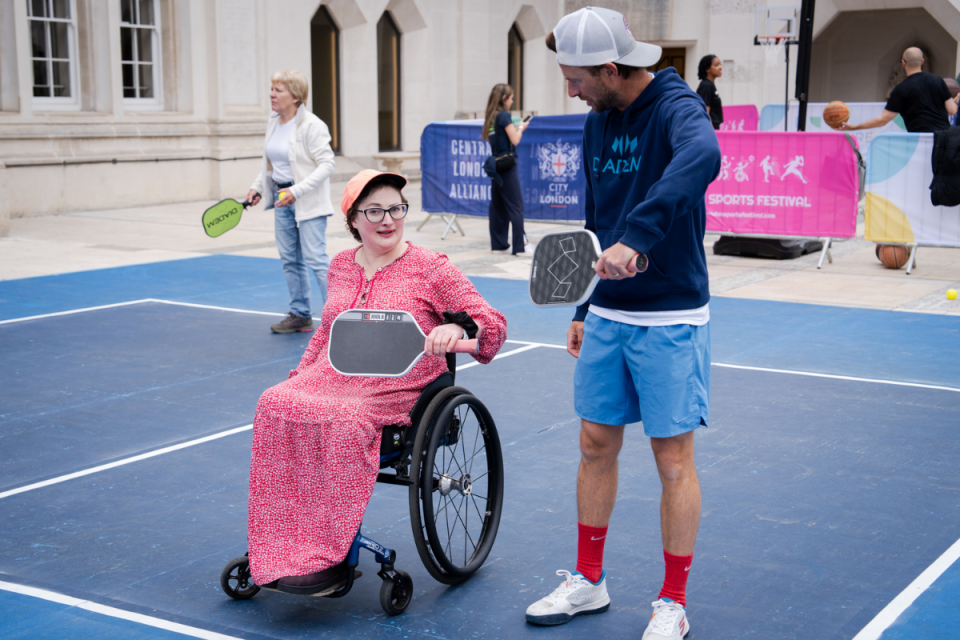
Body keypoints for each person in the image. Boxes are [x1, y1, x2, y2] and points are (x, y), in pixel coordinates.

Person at [524, 8, 720, 640]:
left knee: (671, 462)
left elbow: (704, 157)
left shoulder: (675, 105)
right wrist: (584, 303)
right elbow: (595, 212)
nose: (571, 90)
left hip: (671, 313)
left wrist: (640, 236)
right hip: (608, 311)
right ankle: (588, 581)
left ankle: (672, 602)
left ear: (611, 69)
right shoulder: (597, 122)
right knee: (594, 446)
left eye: (577, 78)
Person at [247, 169, 507, 594]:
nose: (388, 219)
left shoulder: (429, 268)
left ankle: (328, 557)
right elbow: (327, 333)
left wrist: (459, 331)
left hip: (398, 387)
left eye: (396, 209)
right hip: (333, 377)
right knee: (275, 402)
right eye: (375, 211)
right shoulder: (340, 267)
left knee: (347, 417)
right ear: (353, 220)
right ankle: (282, 546)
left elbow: (489, 322)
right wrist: (299, 378)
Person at [248, 70, 336, 334]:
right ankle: (300, 314)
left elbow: (327, 164)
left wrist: (297, 191)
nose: (272, 94)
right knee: (290, 260)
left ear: (296, 96)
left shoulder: (313, 125)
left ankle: (341, 317)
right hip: (280, 199)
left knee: (315, 259)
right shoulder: (273, 122)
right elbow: (273, 164)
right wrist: (258, 187)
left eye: (279, 90)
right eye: (272, 89)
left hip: (306, 201)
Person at [843, 47, 959, 133]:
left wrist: (854, 127)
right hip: (943, 139)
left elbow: (883, 120)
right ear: (922, 62)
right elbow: (952, 110)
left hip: (919, 139)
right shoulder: (938, 80)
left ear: (903, 63)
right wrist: (956, 100)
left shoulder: (900, 89)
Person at [482, 84, 528, 255]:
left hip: (496, 165)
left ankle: (499, 245)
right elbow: (515, 139)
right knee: (516, 206)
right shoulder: (504, 116)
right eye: (510, 98)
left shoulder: (491, 117)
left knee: (498, 206)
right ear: (504, 98)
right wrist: (521, 127)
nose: (512, 101)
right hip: (507, 165)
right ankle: (519, 247)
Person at [696, 55, 724, 130]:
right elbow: (705, 110)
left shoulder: (710, 84)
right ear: (707, 69)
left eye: (720, 64)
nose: (720, 67)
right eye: (716, 65)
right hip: (710, 128)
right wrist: (709, 129)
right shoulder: (706, 85)